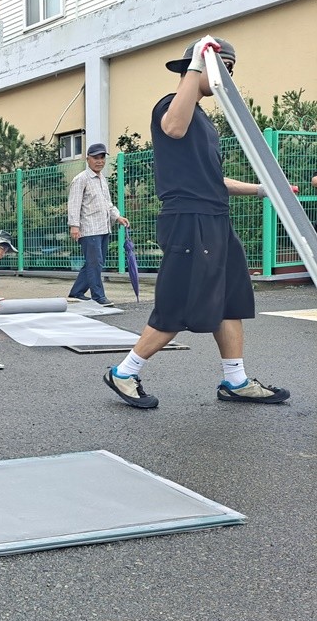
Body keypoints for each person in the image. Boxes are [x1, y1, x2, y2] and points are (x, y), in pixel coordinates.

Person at [103, 35, 289, 409]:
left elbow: (213, 178)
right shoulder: (170, 107)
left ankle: (235, 380)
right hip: (188, 219)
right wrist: (199, 62)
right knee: (179, 305)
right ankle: (124, 372)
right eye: (225, 68)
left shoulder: (204, 121)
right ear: (200, 68)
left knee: (230, 301)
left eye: (232, 70)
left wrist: (262, 189)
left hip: (216, 217)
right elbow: (173, 127)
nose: (229, 78)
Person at [67, 142, 130, 306]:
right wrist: (74, 226)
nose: (99, 161)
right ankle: (98, 296)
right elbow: (74, 204)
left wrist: (118, 217)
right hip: (89, 229)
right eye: (96, 157)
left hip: (103, 228)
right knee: (95, 263)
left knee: (94, 262)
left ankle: (77, 292)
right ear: (88, 159)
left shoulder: (102, 180)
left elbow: (107, 203)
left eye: (102, 157)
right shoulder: (81, 179)